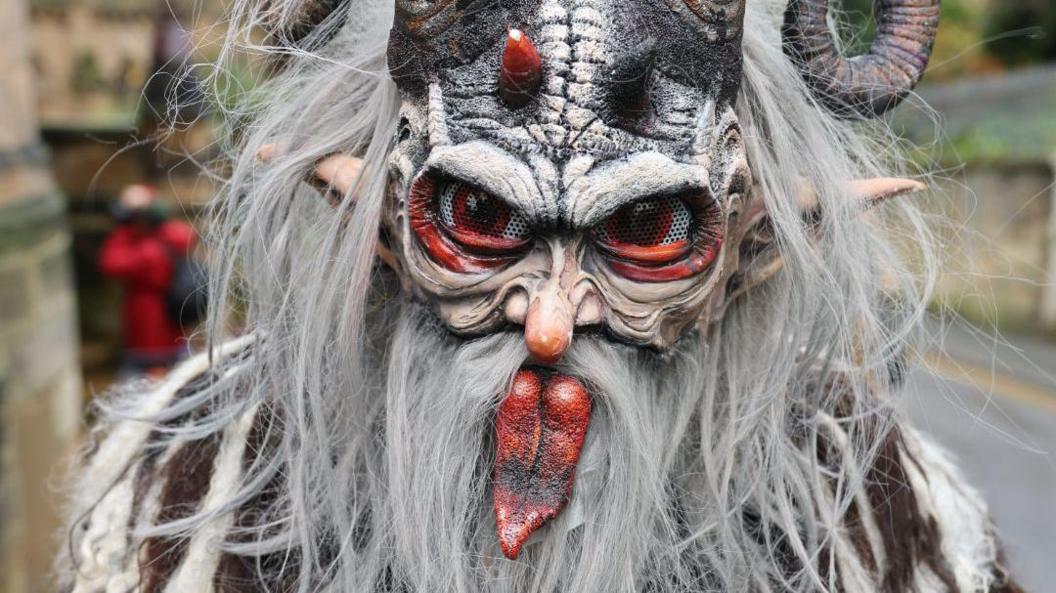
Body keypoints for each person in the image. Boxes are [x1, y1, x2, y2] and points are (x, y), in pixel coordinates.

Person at [59, 1, 1025, 592]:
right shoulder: (189, 479)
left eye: (644, 231)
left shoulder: (873, 509)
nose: (553, 325)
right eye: (479, 214)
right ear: (378, 207)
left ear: (753, 237)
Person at [98, 184, 195, 378]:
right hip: (146, 321)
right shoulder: (135, 238)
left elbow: (186, 236)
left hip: (161, 319)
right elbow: (110, 263)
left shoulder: (159, 238)